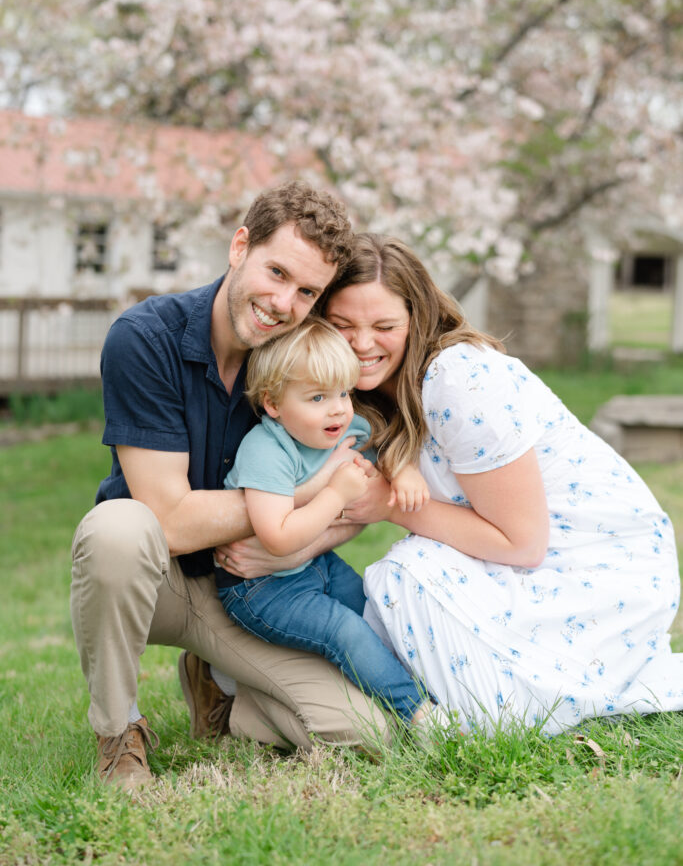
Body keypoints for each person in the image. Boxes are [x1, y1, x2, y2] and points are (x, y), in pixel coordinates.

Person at [70, 183, 391, 793]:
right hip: (151, 577)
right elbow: (168, 519)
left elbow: (360, 495)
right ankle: (119, 730)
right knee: (118, 529)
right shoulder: (145, 339)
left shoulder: (305, 364)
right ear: (239, 246)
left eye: (306, 292)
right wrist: (305, 495)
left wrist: (294, 544)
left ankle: (224, 692)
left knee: (366, 732)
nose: (281, 303)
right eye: (276, 272)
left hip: (250, 588)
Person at [320, 232, 683, 735]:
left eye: (384, 325)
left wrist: (389, 505)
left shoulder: (458, 379)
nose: (362, 344)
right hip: (526, 560)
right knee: (397, 601)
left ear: (417, 319)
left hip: (597, 565)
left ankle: (489, 711)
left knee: (409, 573)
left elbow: (523, 542)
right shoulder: (357, 395)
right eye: (342, 326)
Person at [214, 316, 441, 734]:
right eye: (317, 397)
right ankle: (420, 716)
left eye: (343, 392)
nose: (337, 407)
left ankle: (436, 691)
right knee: (344, 632)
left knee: (374, 610)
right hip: (260, 589)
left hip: (317, 564)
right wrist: (336, 493)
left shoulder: (346, 427)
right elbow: (278, 538)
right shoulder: (266, 450)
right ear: (274, 404)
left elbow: (386, 443)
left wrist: (403, 472)